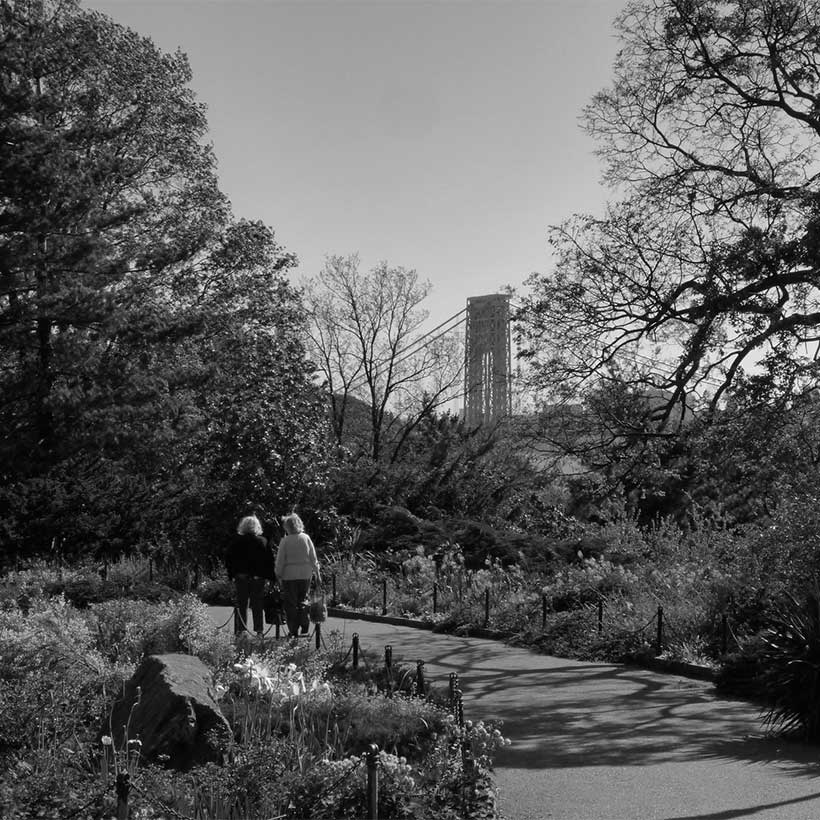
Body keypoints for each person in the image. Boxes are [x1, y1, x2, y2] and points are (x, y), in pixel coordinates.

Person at [226, 514, 275, 637]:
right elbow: (269, 560)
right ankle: (259, 631)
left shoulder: (236, 541)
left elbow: (229, 559)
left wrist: (231, 574)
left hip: (241, 576)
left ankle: (241, 630)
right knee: (257, 604)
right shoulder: (263, 541)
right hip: (258, 577)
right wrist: (271, 577)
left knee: (242, 603)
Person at [275, 513, 321, 637]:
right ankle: (305, 624)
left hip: (289, 575)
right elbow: (313, 557)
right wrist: (317, 572)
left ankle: (293, 629)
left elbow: (280, 560)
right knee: (303, 600)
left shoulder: (285, 541)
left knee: (291, 603)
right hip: (305, 573)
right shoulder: (305, 538)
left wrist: (278, 574)